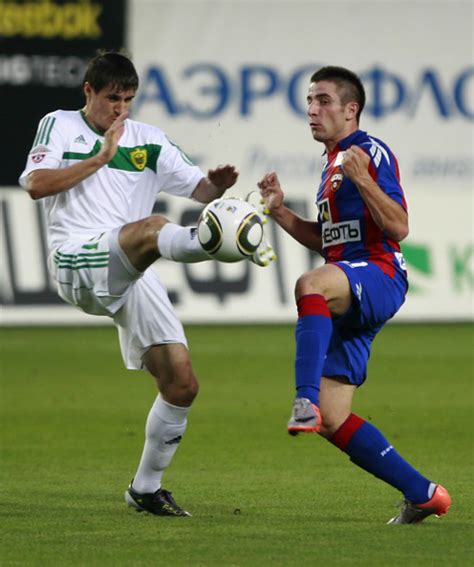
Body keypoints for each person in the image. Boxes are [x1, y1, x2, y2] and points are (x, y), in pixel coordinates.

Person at [19, 51, 274, 518]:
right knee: (154, 227)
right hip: (75, 258)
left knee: (181, 382)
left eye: (128, 100)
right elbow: (36, 185)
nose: (120, 109)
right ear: (89, 91)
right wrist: (100, 158)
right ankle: (218, 242)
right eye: (111, 98)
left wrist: (215, 187)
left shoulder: (148, 140)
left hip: (128, 266)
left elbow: (199, 190)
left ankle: (145, 488)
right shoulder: (58, 124)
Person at [256, 66, 451, 524]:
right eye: (309, 100)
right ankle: (424, 494)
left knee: (310, 284)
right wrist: (280, 211)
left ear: (351, 109)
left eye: (323, 100)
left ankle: (301, 397)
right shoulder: (332, 164)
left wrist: (363, 179)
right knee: (332, 416)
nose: (312, 110)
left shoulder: (368, 152)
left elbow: (399, 227)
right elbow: (331, 242)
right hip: (351, 279)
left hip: (381, 273)